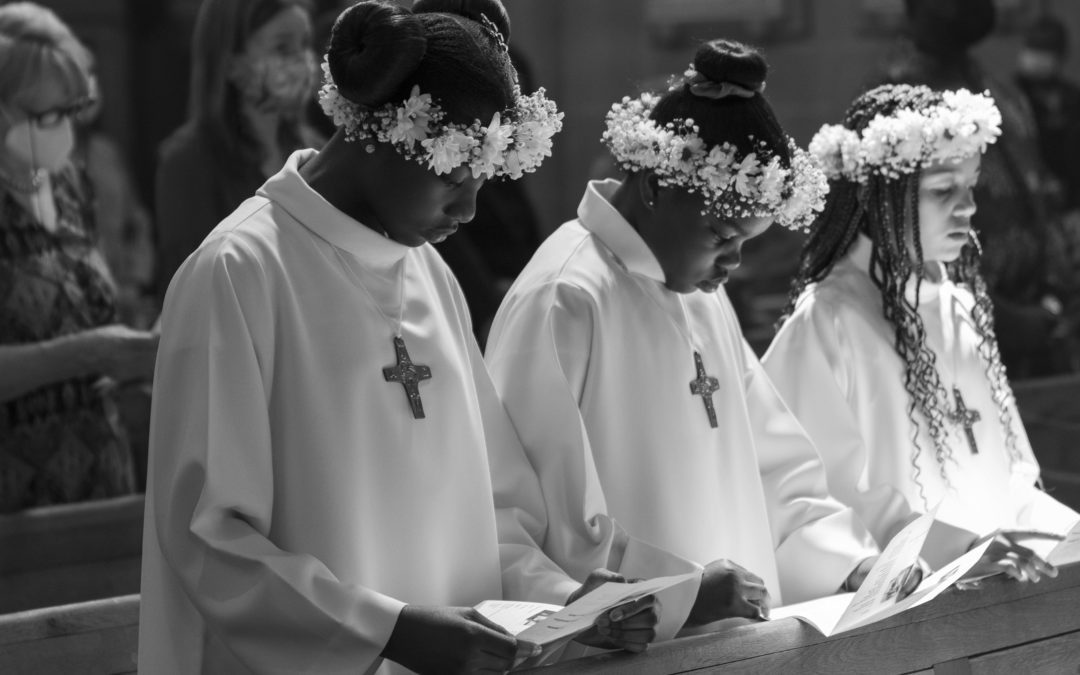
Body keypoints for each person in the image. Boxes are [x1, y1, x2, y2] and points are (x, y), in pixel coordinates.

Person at [140, 2, 657, 673]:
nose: (469, 210)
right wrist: (387, 631)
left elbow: (494, 507)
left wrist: (569, 606)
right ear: (377, 132)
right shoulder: (238, 271)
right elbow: (208, 537)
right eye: (451, 174)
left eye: (483, 180)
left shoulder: (429, 274)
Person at [485, 39, 886, 631]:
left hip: (742, 641)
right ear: (654, 187)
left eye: (746, 242)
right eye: (722, 234)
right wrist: (680, 592)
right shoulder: (568, 295)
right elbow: (544, 519)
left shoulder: (701, 292)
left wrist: (847, 562)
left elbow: (774, 464)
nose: (733, 263)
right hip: (632, 642)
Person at [765, 83, 1079, 578]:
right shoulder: (828, 320)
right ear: (879, 198)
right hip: (902, 609)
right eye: (942, 190)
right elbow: (817, 498)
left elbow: (1013, 476)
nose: (969, 207)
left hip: (994, 595)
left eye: (971, 185)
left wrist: (1061, 535)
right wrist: (961, 552)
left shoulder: (959, 308)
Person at [0, 2, 157, 513]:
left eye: (71, 112)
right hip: (18, 498)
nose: (63, 132)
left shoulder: (66, 181)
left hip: (102, 474)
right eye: (46, 116)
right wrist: (87, 353)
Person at [874, 0, 1078, 377]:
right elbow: (899, 242)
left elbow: (1040, 197)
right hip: (957, 349)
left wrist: (1054, 298)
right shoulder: (894, 106)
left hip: (1041, 334)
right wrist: (1005, 319)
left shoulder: (1002, 92)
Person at [153, 0, 324, 306]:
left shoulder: (317, 150)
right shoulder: (187, 161)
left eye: (305, 44)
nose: (302, 60)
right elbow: (192, 289)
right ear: (231, 62)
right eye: (283, 48)